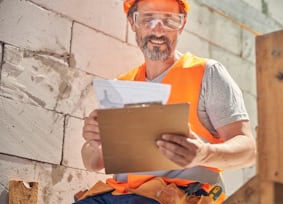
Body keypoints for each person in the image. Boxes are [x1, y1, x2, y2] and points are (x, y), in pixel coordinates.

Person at [76, 0, 256, 203]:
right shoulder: (121, 85)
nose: (158, 30)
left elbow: (249, 150)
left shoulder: (207, 73)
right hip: (121, 195)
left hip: (183, 195)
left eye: (169, 20)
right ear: (132, 22)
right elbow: (94, 163)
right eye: (148, 19)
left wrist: (204, 154)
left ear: (183, 24)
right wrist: (93, 142)